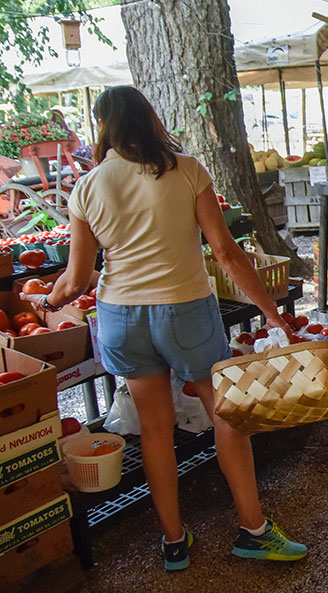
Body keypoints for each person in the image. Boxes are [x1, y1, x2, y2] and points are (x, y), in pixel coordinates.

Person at [20, 86, 307, 571]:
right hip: (185, 311)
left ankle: (174, 541)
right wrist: (274, 315)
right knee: (227, 417)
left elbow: (74, 279)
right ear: (149, 118)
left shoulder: (87, 188)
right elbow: (226, 253)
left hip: (120, 317)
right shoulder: (187, 170)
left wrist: (44, 301)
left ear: (103, 125)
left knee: (154, 430)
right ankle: (253, 530)